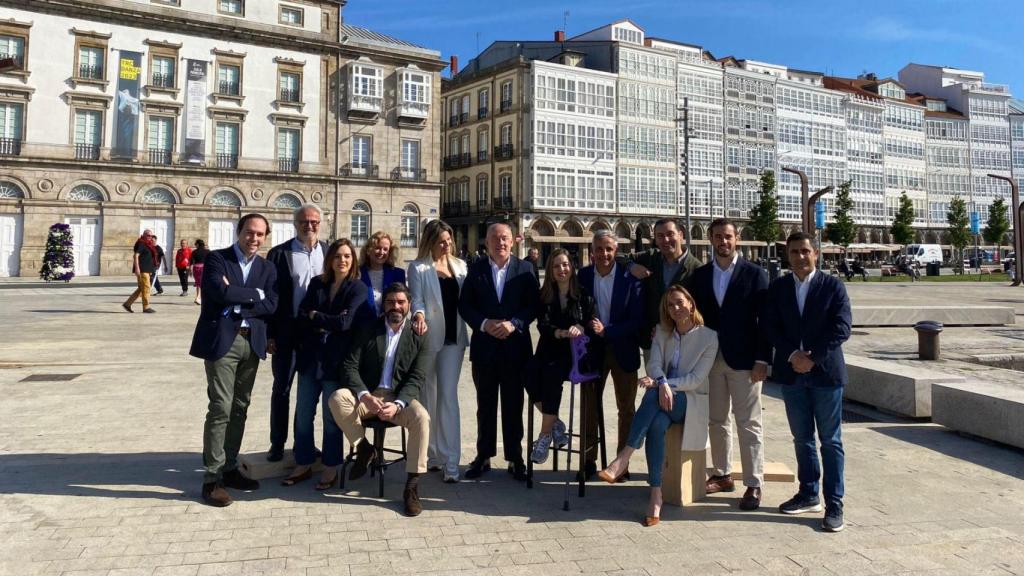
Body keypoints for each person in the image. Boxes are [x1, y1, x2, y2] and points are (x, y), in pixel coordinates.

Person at [598, 285, 718, 526]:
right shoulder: (662, 332)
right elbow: (653, 364)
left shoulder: (709, 337)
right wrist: (660, 381)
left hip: (689, 401)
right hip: (663, 400)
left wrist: (663, 384)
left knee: (651, 396)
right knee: (655, 425)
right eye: (670, 305)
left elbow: (695, 380)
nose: (675, 309)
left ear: (691, 304)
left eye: (679, 303)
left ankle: (624, 456)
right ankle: (656, 495)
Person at [762, 231, 852, 533]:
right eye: (794, 252)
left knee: (830, 440)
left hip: (825, 374)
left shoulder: (832, 287)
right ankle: (809, 492)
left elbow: (841, 328)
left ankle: (834, 502)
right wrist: (791, 355)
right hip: (791, 374)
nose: (800, 257)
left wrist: (812, 358)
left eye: (805, 251)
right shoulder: (779, 287)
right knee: (802, 439)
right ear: (787, 255)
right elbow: (769, 326)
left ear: (816, 254)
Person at [189, 214, 278, 507]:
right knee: (220, 407)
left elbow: (272, 303)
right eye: (249, 232)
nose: (254, 238)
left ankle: (229, 466)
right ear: (239, 232)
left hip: (252, 343)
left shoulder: (267, 267)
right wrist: (255, 295)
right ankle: (211, 478)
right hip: (223, 342)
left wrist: (240, 303)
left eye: (260, 234)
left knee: (240, 406)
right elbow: (218, 291)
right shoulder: (218, 259)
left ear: (266, 237)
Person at [687, 218, 771, 510]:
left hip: (745, 361)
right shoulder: (700, 276)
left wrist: (763, 359)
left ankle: (754, 483)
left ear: (737, 239)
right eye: (718, 237)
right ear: (710, 239)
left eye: (728, 237)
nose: (723, 242)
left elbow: (766, 323)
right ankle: (722, 474)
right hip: (711, 360)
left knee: (749, 423)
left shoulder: (756, 274)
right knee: (717, 420)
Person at [328, 283, 431, 517]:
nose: (396, 306)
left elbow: (417, 377)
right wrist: (365, 395)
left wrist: (398, 404)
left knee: (422, 418)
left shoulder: (419, 335)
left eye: (401, 302)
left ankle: (412, 487)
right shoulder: (368, 329)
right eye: (390, 301)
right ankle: (365, 448)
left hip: (397, 398)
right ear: (383, 304)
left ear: (409, 305)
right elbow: (350, 366)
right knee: (337, 398)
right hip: (368, 395)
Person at [283, 239, 371, 489]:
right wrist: (325, 320)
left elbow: (346, 323)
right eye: (337, 256)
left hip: (335, 361)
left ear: (352, 260)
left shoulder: (357, 288)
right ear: (329, 259)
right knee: (303, 414)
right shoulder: (317, 283)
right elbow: (302, 316)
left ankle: (331, 466)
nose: (342, 260)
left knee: (331, 417)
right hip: (311, 358)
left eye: (347, 256)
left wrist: (317, 318)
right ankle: (304, 462)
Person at [458, 221, 540, 481]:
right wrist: (483, 324)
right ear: (487, 242)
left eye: (504, 238)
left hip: (515, 349)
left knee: (514, 405)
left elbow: (534, 306)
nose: (500, 242)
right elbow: (465, 305)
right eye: (495, 238)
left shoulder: (526, 269)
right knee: (485, 405)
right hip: (485, 349)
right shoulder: (477, 268)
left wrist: (514, 323)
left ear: (513, 240)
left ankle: (515, 458)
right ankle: (483, 456)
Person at [577, 230, 644, 481]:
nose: (604, 254)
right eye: (599, 249)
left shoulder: (630, 277)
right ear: (591, 252)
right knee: (589, 407)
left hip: (623, 348)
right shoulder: (583, 276)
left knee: (626, 408)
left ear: (616, 251)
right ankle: (588, 459)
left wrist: (610, 331)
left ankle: (621, 463)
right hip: (592, 351)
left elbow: (636, 319)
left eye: (608, 249)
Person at [264, 204, 329, 462]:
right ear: (295, 224)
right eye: (304, 222)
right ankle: (277, 443)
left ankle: (304, 443)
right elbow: (272, 297)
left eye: (314, 222)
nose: (309, 226)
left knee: (309, 394)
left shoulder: (328, 251)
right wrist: (270, 334)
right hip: (287, 334)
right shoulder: (280, 254)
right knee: (282, 389)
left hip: (317, 335)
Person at [407, 220, 470, 483]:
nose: (446, 245)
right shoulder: (418, 268)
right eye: (441, 241)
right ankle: (431, 453)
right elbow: (417, 298)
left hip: (454, 339)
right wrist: (418, 314)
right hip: (429, 337)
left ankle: (451, 460)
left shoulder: (461, 266)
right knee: (427, 395)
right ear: (430, 241)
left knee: (447, 396)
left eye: (449, 240)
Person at [527, 248, 596, 464]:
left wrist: (580, 328)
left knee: (551, 374)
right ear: (550, 270)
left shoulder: (583, 294)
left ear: (572, 267)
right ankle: (555, 423)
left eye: (565, 264)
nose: (561, 269)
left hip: (575, 354)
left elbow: (590, 322)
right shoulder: (546, 294)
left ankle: (544, 436)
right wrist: (558, 332)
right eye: (556, 266)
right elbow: (543, 324)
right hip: (549, 347)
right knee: (526, 371)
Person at [620, 218, 702, 361]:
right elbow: (618, 257)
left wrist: (671, 329)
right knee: (654, 382)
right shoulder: (651, 258)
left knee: (680, 383)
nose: (665, 240)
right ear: (656, 239)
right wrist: (632, 266)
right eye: (660, 236)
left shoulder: (697, 269)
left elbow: (700, 310)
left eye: (670, 234)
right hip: (652, 342)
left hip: (683, 342)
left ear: (681, 235)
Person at [360, 231, 406, 317]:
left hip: (389, 326)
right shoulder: (357, 274)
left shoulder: (398, 274)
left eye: (385, 249)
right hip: (362, 327)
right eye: (378, 248)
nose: (381, 252)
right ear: (368, 250)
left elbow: (402, 304)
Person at [122, 229, 158, 314]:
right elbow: (136, 255)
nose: (150, 237)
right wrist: (137, 268)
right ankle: (146, 307)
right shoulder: (141, 243)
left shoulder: (148, 244)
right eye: (148, 236)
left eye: (151, 236)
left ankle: (127, 304)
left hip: (147, 270)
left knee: (142, 289)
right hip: (142, 270)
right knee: (146, 288)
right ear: (144, 235)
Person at [191, 239, 209, 305]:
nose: (195, 245)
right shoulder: (208, 251)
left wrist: (190, 270)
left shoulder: (194, 252)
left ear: (198, 244)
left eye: (195, 244)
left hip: (196, 268)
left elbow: (191, 262)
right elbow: (210, 261)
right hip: (205, 268)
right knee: (203, 283)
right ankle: (199, 297)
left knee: (198, 283)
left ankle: (198, 297)